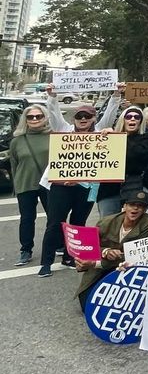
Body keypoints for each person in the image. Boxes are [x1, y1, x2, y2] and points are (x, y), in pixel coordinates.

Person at [37, 102, 101, 278]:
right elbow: (54, 113)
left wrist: (116, 97)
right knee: (55, 223)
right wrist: (52, 97)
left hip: (87, 187)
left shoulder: (100, 136)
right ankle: (46, 262)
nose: (83, 119)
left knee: (79, 222)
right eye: (79, 116)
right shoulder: (64, 130)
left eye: (87, 116)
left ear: (94, 118)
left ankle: (70, 257)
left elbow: (111, 117)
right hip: (60, 186)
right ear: (73, 119)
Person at [74, 189, 148, 308]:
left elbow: (137, 256)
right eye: (132, 205)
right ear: (124, 206)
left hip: (126, 268)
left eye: (140, 206)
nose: (135, 209)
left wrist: (96, 263)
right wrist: (105, 251)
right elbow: (88, 246)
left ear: (145, 209)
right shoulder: (106, 222)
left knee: (123, 304)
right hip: (101, 269)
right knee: (87, 304)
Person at [11, 105, 51, 266]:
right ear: (25, 120)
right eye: (30, 117)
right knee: (27, 218)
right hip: (25, 184)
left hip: (49, 184)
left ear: (45, 117)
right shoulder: (17, 141)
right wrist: (16, 186)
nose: (34, 119)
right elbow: (14, 165)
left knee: (54, 217)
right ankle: (26, 250)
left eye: (38, 116)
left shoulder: (54, 137)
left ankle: (58, 244)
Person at [96, 104, 148, 217]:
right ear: (123, 119)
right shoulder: (109, 137)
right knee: (107, 222)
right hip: (109, 188)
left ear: (140, 122)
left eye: (137, 117)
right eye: (129, 116)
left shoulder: (145, 138)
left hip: (134, 185)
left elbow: (135, 155)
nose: (132, 119)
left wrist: (118, 137)